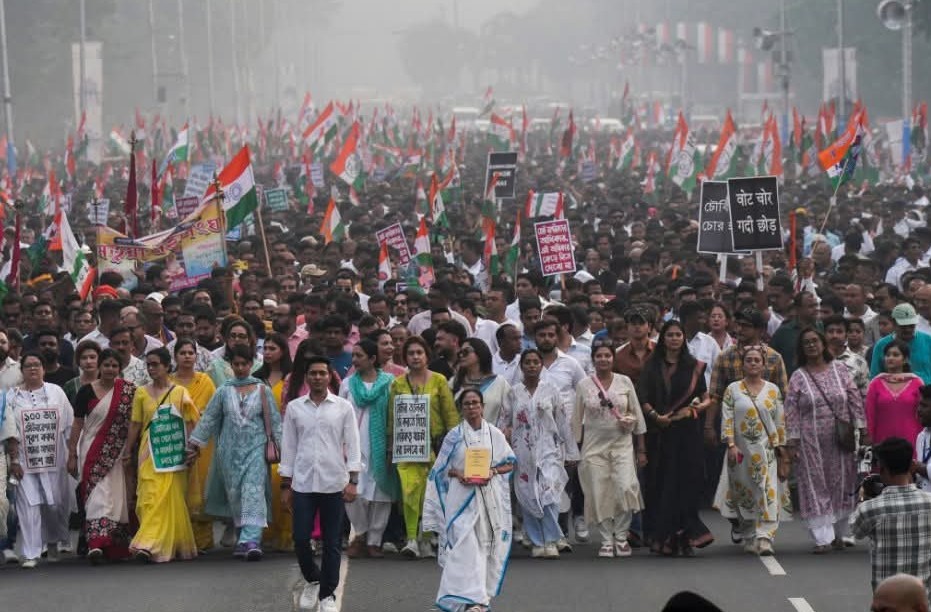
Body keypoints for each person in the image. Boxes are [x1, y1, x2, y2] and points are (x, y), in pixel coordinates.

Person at [423, 388, 516, 612]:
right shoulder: (454, 436)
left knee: (482, 547)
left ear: (482, 407)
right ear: (461, 409)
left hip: (487, 499)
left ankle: (477, 601)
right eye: (467, 404)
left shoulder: (494, 434)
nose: (472, 407)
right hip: (461, 498)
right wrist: (459, 474)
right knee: (463, 548)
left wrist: (492, 472)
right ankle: (461, 599)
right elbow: (440, 470)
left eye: (475, 403)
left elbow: (510, 463)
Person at [281, 356, 361, 612]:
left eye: (322, 373)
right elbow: (289, 446)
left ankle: (328, 594)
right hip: (303, 482)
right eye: (313, 373)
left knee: (332, 541)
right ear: (306, 377)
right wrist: (286, 483)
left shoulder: (342, 407)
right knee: (301, 538)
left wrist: (353, 479)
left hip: (333, 481)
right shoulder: (295, 408)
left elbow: (353, 443)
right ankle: (313, 578)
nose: (317, 377)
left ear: (329, 377)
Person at [186, 344, 282, 561]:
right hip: (229, 453)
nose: (240, 368)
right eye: (236, 364)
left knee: (253, 492)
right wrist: (194, 445)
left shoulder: (262, 390)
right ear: (231, 365)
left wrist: (285, 449)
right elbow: (209, 419)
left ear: (251, 364)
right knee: (237, 495)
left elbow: (275, 422)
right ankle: (243, 537)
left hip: (256, 450)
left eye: (244, 364)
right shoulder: (223, 391)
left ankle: (251, 540)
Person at [785, 327, 866, 553]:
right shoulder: (798, 376)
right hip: (810, 441)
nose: (811, 345)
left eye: (814, 341)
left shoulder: (840, 370)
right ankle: (822, 539)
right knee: (814, 485)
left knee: (842, 483)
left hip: (841, 440)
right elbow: (790, 410)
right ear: (802, 349)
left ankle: (840, 534)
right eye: (806, 343)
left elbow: (854, 399)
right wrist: (792, 442)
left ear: (823, 344)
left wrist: (862, 427)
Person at [639, 320, 714, 556]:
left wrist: (693, 411)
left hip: (687, 434)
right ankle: (664, 539)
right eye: (669, 335)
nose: (674, 338)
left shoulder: (694, 367)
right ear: (663, 339)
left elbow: (707, 398)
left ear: (683, 338)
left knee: (687, 484)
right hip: (660, 435)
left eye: (678, 334)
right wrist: (655, 416)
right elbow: (642, 397)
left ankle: (686, 538)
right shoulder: (652, 366)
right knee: (663, 486)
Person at [572, 339, 646, 558]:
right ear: (593, 359)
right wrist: (573, 450)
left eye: (607, 355)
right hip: (593, 447)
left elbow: (637, 413)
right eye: (599, 356)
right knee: (598, 491)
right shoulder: (584, 385)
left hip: (622, 444)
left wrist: (641, 447)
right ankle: (606, 538)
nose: (603, 359)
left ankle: (621, 536)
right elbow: (576, 420)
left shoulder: (625, 382)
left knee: (625, 487)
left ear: (613, 358)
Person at [503, 348, 577, 559]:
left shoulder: (551, 390)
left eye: (536, 362)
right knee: (527, 495)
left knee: (549, 495)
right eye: (528, 362)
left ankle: (551, 539)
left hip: (549, 450)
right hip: (522, 452)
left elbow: (562, 421)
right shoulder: (514, 392)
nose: (532, 365)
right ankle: (537, 541)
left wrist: (571, 452)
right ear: (522, 366)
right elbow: (504, 421)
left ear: (541, 365)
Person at [125, 347, 198, 563]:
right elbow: (136, 424)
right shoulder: (141, 392)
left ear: (167, 366)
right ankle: (154, 542)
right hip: (148, 452)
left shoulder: (180, 393)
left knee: (169, 498)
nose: (151, 368)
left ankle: (148, 544)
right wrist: (127, 450)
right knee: (149, 496)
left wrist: (193, 449)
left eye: (155, 364)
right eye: (148, 364)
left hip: (173, 452)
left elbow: (190, 422)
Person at [719, 346, 790, 556]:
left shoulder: (773, 390)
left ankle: (765, 537)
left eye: (756, 360)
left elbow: (780, 420)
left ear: (763, 364)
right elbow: (727, 417)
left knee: (767, 490)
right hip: (740, 450)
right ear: (743, 364)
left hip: (766, 450)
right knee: (744, 492)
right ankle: (749, 534)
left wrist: (781, 448)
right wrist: (731, 445)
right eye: (748, 360)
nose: (752, 363)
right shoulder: (733, 389)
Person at [5, 352, 74, 568]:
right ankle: (31, 552)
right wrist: (14, 460)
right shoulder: (12, 396)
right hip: (25, 459)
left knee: (54, 505)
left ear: (44, 369)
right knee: (29, 505)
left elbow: (70, 426)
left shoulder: (57, 392)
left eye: (37, 365)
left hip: (55, 458)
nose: (33, 369)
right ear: (22, 370)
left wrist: (72, 454)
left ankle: (52, 541)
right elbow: (10, 430)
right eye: (28, 366)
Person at [67, 348, 136, 563]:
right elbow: (77, 424)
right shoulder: (85, 392)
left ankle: (113, 546)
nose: (110, 369)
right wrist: (72, 455)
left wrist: (131, 451)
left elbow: (135, 422)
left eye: (114, 365)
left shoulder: (129, 391)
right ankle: (95, 545)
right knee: (96, 495)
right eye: (106, 365)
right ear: (100, 367)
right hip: (92, 450)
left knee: (117, 497)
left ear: (120, 368)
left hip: (119, 451)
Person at [338, 339, 398, 558]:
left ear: (373, 359)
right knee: (353, 492)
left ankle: (375, 540)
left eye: (359, 356)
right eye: (353, 355)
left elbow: (395, 412)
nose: (354, 360)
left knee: (380, 493)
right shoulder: (347, 385)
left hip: (381, 443)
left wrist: (392, 444)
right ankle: (361, 534)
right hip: (353, 444)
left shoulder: (391, 383)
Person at [852, 437, 931, 597]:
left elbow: (856, 531)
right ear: (912, 466)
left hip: (887, 598)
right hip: (921, 599)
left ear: (881, 469)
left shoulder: (871, 508)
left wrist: (864, 498)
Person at [170, 339, 217, 553]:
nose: (187, 356)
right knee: (179, 489)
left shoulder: (205, 381)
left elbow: (214, 410)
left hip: (203, 442)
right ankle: (180, 538)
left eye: (191, 352)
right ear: (175, 356)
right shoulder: (169, 383)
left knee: (201, 489)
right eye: (183, 353)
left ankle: (202, 541)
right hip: (175, 439)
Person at [254, 332, 294, 552]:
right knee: (263, 485)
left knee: (282, 482)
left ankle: (287, 533)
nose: (267, 353)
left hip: (286, 437)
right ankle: (266, 533)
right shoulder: (257, 378)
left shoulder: (292, 377)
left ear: (283, 351)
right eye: (265, 349)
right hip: (260, 437)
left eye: (272, 349)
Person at [865, 341, 924, 447]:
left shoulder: (917, 383)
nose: (890, 358)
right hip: (882, 439)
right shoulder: (875, 383)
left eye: (895, 355)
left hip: (912, 437)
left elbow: (923, 413)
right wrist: (869, 437)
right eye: (887, 355)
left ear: (905, 359)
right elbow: (870, 414)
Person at [452, 337, 512, 427]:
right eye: (460, 353)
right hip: (460, 437)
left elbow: (510, 413)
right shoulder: (454, 382)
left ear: (480, 352)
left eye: (466, 352)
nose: (461, 356)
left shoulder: (499, 383)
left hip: (492, 437)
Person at [870, 304, 931, 384]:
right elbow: (875, 376)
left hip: (925, 392)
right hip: (893, 392)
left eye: (911, 326)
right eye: (904, 326)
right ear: (894, 323)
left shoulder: (927, 340)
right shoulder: (881, 345)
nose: (908, 329)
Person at [63, 340, 101, 405]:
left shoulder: (109, 383)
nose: (88, 361)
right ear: (78, 361)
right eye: (84, 358)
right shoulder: (70, 386)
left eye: (92, 357)